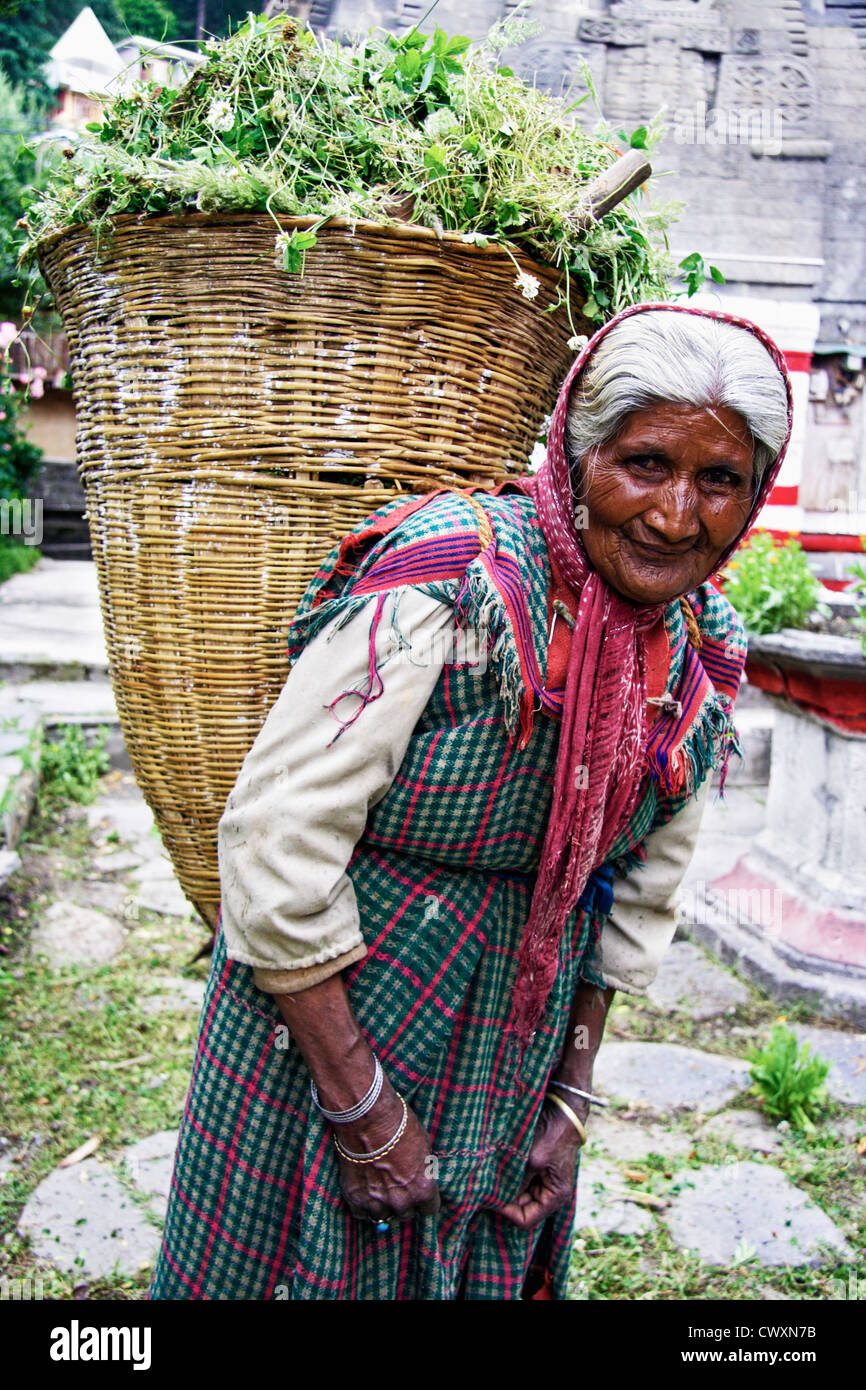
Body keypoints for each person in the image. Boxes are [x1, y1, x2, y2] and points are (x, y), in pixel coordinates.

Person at [148, 301, 792, 1301]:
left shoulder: (696, 649)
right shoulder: (449, 584)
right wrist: (358, 1101)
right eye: (644, 464)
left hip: (514, 1047)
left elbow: (636, 887)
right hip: (329, 1022)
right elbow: (277, 839)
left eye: (718, 481)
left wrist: (568, 1098)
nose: (674, 516)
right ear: (576, 456)